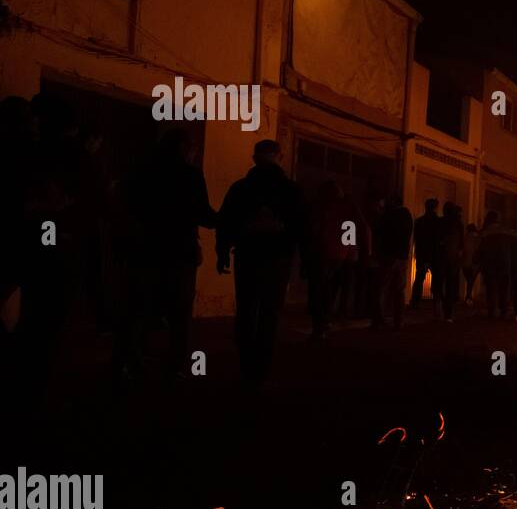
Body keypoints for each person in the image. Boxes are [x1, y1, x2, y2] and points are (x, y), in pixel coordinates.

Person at [116, 129, 216, 380]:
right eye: (192, 148)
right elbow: (203, 214)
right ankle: (175, 365)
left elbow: (124, 204)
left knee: (137, 308)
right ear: (184, 148)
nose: (194, 153)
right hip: (178, 251)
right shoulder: (190, 175)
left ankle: (128, 360)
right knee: (179, 312)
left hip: (144, 248)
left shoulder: (141, 170)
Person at [217, 140, 306, 388]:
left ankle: (246, 364)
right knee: (270, 313)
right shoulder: (290, 190)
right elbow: (302, 227)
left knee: (246, 309)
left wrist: (222, 252)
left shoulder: (241, 188)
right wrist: (304, 259)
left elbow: (225, 222)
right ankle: (261, 369)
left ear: (254, 158)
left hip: (247, 255)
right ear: (280, 156)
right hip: (278, 257)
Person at [306, 180, 351, 339]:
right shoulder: (345, 209)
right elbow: (349, 231)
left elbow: (314, 230)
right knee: (329, 287)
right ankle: (326, 319)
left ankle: (320, 322)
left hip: (322, 253)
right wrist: (347, 252)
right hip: (339, 256)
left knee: (319, 288)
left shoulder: (318, 207)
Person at [371, 194, 413, 330]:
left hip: (389, 256)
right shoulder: (407, 215)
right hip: (402, 257)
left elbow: (380, 232)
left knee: (382, 287)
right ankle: (398, 321)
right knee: (399, 290)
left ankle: (380, 319)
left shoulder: (389, 216)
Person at [478, 211, 513, 319]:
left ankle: (492, 311)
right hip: (505, 263)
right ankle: (504, 311)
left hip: (490, 264)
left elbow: (480, 250)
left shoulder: (484, 233)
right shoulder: (507, 232)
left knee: (491, 288)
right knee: (504, 288)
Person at [409, 198, 441, 311]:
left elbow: (417, 239)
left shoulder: (419, 221)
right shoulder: (438, 221)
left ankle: (414, 302)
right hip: (435, 255)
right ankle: (436, 304)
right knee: (436, 280)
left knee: (419, 279)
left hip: (423, 254)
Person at [438, 202, 466, 320]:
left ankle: (439, 308)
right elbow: (461, 243)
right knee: (450, 284)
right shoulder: (458, 224)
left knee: (440, 283)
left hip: (441, 256)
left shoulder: (441, 222)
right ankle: (448, 312)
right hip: (453, 258)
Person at [462, 224, 481, 307]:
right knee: (471, 281)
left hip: (465, 263)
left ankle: (468, 297)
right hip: (474, 264)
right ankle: (468, 298)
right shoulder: (478, 239)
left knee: (469, 280)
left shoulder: (464, 238)